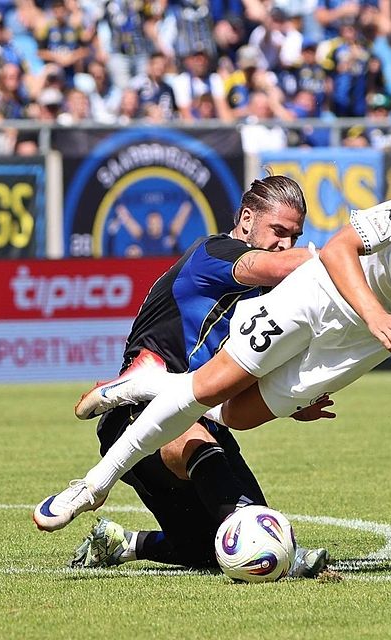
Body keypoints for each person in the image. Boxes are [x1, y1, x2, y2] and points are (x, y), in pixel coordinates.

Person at [34, 162, 391, 538]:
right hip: (325, 290)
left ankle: (151, 385)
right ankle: (92, 486)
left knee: (238, 414)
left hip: (359, 342)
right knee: (208, 388)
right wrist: (378, 314)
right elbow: (338, 247)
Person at [58, 175, 332, 577]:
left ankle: (120, 542)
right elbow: (272, 265)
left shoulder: (261, 298)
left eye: (294, 236)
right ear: (246, 217)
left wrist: (293, 405)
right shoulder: (216, 252)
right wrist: (341, 256)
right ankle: (288, 560)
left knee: (207, 551)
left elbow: (244, 369)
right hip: (135, 414)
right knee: (214, 478)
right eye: (279, 231)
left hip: (199, 413)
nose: (285, 245)